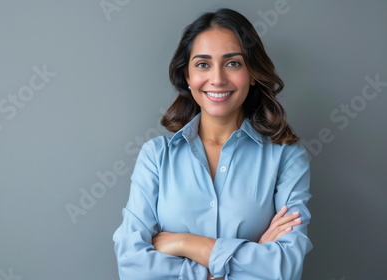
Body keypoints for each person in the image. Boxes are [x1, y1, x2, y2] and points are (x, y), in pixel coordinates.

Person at [113, 8, 312, 280]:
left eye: (233, 63)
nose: (217, 79)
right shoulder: (156, 156)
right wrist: (252, 255)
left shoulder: (286, 156)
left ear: (252, 73)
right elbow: (131, 266)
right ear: (187, 76)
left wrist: (186, 243)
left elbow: (285, 267)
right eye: (203, 64)